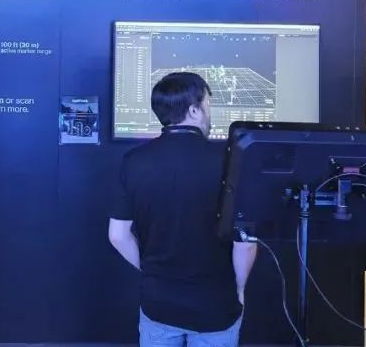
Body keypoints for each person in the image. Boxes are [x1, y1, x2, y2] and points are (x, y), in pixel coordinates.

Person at [108, 72, 257, 347]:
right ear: (194, 110)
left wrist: (150, 271)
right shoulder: (231, 161)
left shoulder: (134, 161)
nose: (210, 112)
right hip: (216, 305)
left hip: (158, 303)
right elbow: (245, 243)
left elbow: (118, 235)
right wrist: (238, 287)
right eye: (208, 104)